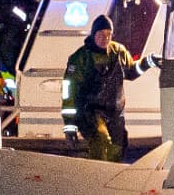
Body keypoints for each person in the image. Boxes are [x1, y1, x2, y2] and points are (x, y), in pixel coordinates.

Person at [63, 14, 157, 162]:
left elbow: (131, 72)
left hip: (115, 112)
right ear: (93, 34)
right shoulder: (80, 58)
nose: (105, 38)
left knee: (119, 146)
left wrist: (148, 62)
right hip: (90, 111)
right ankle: (97, 175)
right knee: (101, 139)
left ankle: (114, 178)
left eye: (108, 34)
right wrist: (69, 125)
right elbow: (69, 92)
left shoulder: (119, 51)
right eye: (101, 34)